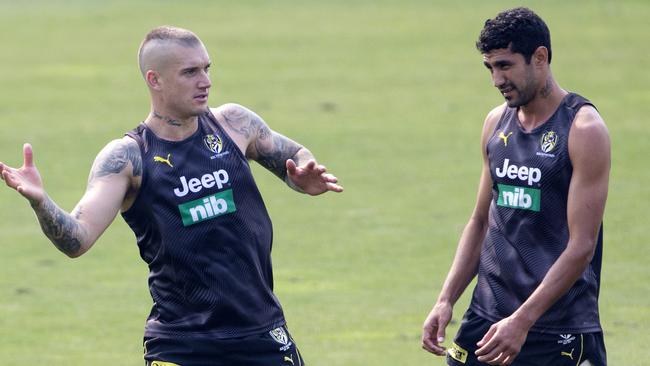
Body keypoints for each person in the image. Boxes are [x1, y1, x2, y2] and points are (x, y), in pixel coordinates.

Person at [0, 25, 343, 366]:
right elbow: (77, 239)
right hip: (181, 346)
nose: (205, 81)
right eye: (190, 72)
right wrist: (40, 201)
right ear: (155, 79)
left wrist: (303, 176)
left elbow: (294, 157)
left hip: (261, 334)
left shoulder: (235, 125)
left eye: (207, 68)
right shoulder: (128, 158)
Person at [421, 7, 609, 366]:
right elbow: (480, 221)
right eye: (490, 68)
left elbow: (582, 245)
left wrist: (522, 320)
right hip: (487, 318)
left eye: (505, 66)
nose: (496, 79)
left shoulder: (583, 130)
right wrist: (446, 299)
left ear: (540, 57)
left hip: (555, 328)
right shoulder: (497, 123)